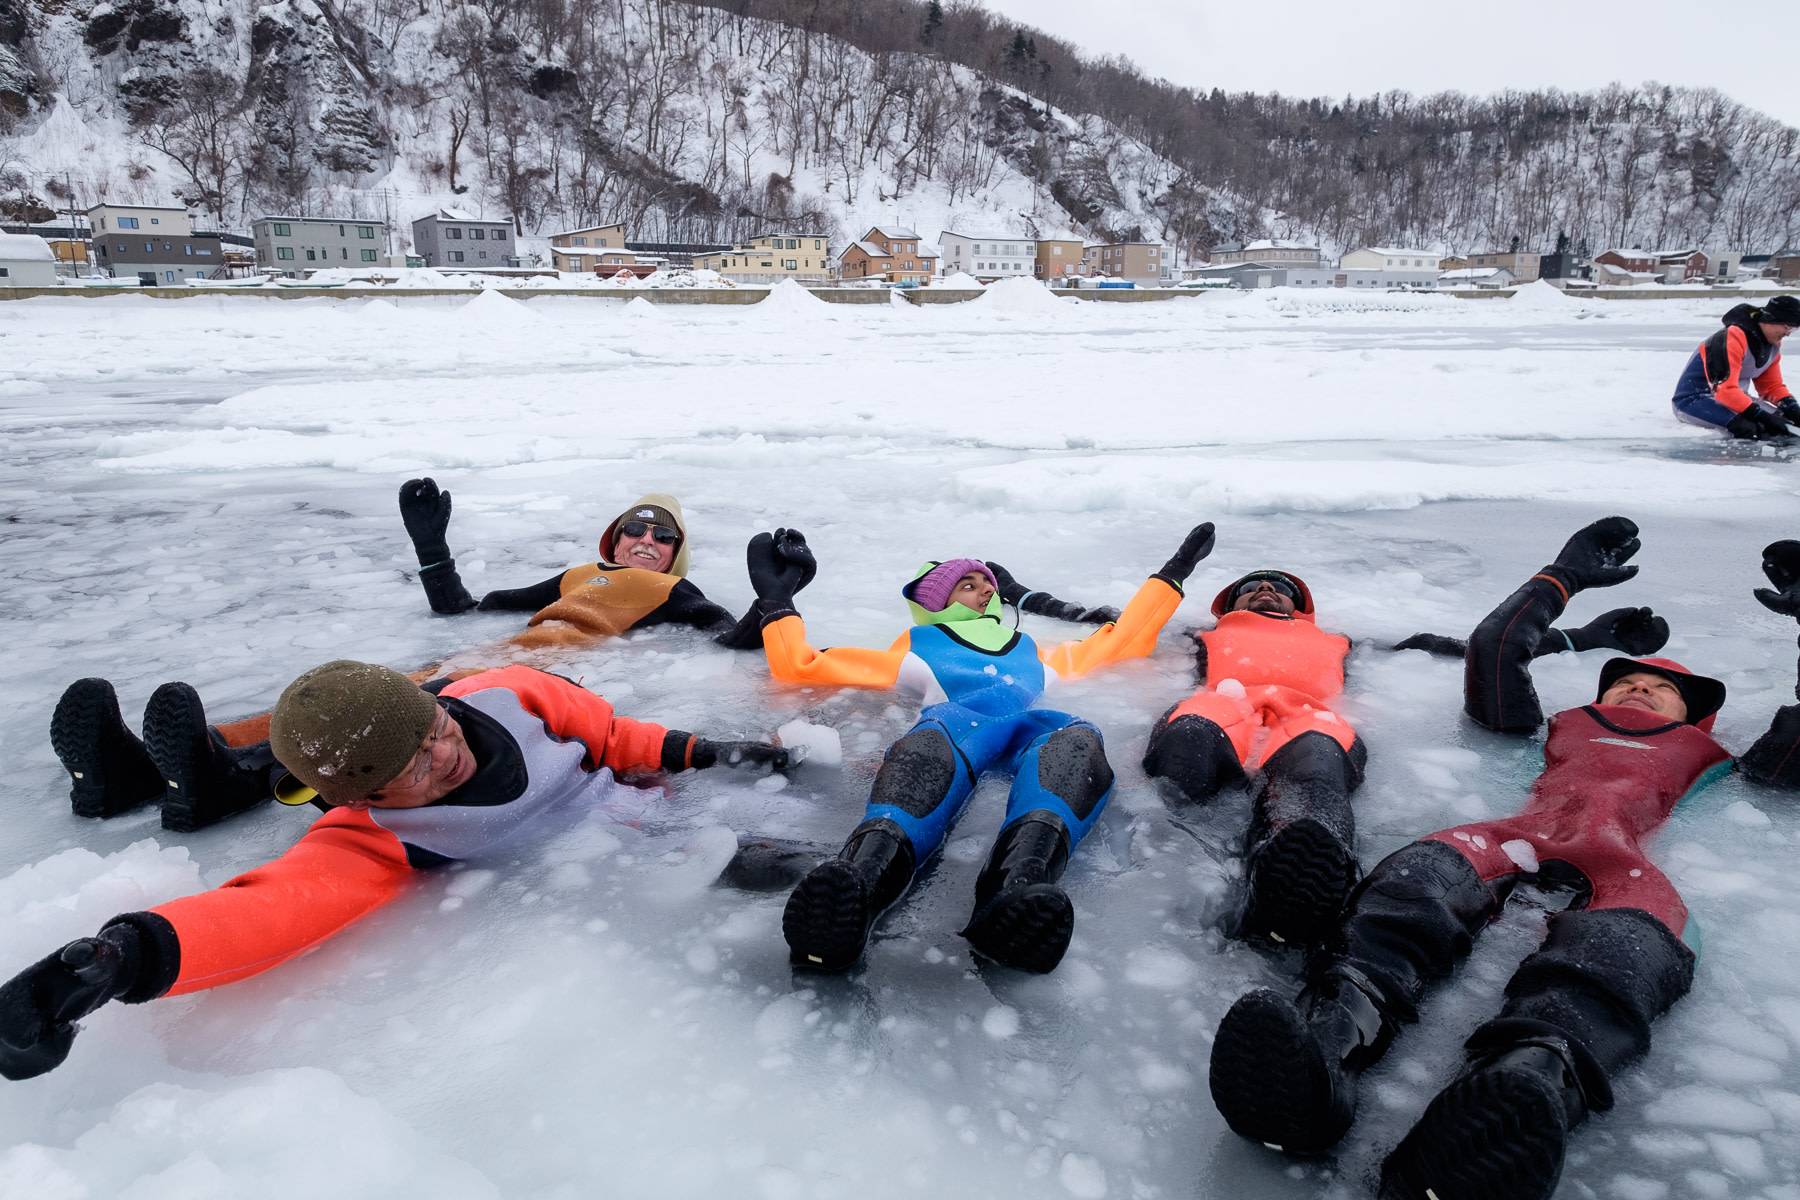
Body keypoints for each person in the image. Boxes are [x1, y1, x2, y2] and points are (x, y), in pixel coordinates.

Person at [1205, 518, 1800, 1200]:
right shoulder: (1559, 726)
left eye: (1660, 689)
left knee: (1619, 959)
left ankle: (1514, 1095)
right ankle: (1326, 1051)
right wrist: (1563, 575)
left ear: (1697, 718)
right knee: (1410, 890)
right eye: (1624, 682)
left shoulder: (1719, 759)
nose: (1639, 689)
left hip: (1626, 864)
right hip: (1512, 833)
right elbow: (1495, 650)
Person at [3, 659, 789, 1082]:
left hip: (656, 816)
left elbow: (615, 734)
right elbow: (271, 909)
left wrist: (706, 752)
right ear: (360, 797)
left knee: (781, 868)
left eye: (436, 731)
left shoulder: (510, 692)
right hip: (602, 885)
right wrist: (122, 958)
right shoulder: (374, 835)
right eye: (405, 771)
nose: (442, 756)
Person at [45, 483, 813, 830]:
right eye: (632, 531)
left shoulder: (670, 592)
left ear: (675, 556)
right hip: (481, 651)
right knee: (340, 700)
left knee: (376, 734)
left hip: (540, 677)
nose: (646, 541)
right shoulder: (579, 576)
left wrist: (771, 601)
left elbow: (726, 642)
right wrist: (432, 547)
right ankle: (145, 769)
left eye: (662, 536)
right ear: (609, 540)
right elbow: (467, 608)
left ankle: (225, 785)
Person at [1006, 562, 1667, 947]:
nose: (1265, 594)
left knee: (1319, 760)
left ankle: (1291, 871)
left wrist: (1582, 637)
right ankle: (1172, 841)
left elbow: (1447, 646)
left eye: (1278, 590)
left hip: (1307, 715)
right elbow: (1104, 621)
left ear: (1300, 604)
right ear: (1231, 604)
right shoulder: (1200, 634)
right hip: (1223, 703)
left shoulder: (1340, 639)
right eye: (1251, 590)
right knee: (1187, 742)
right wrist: (1020, 595)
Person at [747, 523, 1216, 974]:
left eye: (987, 584)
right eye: (967, 585)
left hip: (1034, 725)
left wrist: (1171, 576)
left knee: (1077, 741)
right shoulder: (916, 645)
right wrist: (776, 600)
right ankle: (862, 883)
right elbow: (801, 666)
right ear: (935, 600)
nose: (985, 590)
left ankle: (1017, 889)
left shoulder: (1032, 648)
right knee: (930, 747)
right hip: (959, 724)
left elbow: (1122, 640)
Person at [1669, 295, 1800, 439]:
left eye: (1793, 329)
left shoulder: (1772, 346)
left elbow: (1771, 386)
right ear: (1771, 320)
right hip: (1694, 400)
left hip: (1734, 399)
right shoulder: (1731, 338)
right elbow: (1724, 390)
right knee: (1748, 428)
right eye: (1787, 327)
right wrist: (1761, 416)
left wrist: (1790, 406)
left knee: (1788, 426)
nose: (1788, 333)